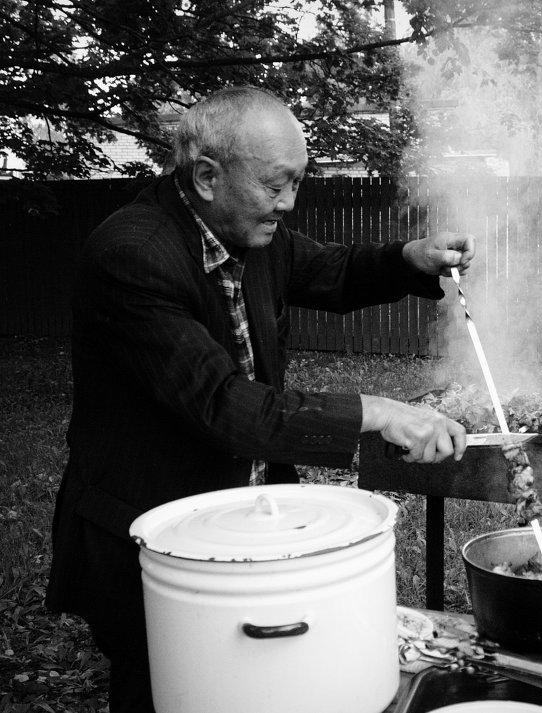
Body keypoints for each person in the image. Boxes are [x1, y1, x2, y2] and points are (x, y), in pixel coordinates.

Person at [46, 86, 472, 713]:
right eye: (277, 185)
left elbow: (338, 270)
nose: (289, 203)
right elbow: (223, 405)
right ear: (209, 176)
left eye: (297, 183)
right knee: (168, 690)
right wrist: (376, 411)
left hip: (242, 523)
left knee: (252, 688)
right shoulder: (131, 255)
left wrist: (412, 259)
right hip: (149, 535)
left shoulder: (251, 236)